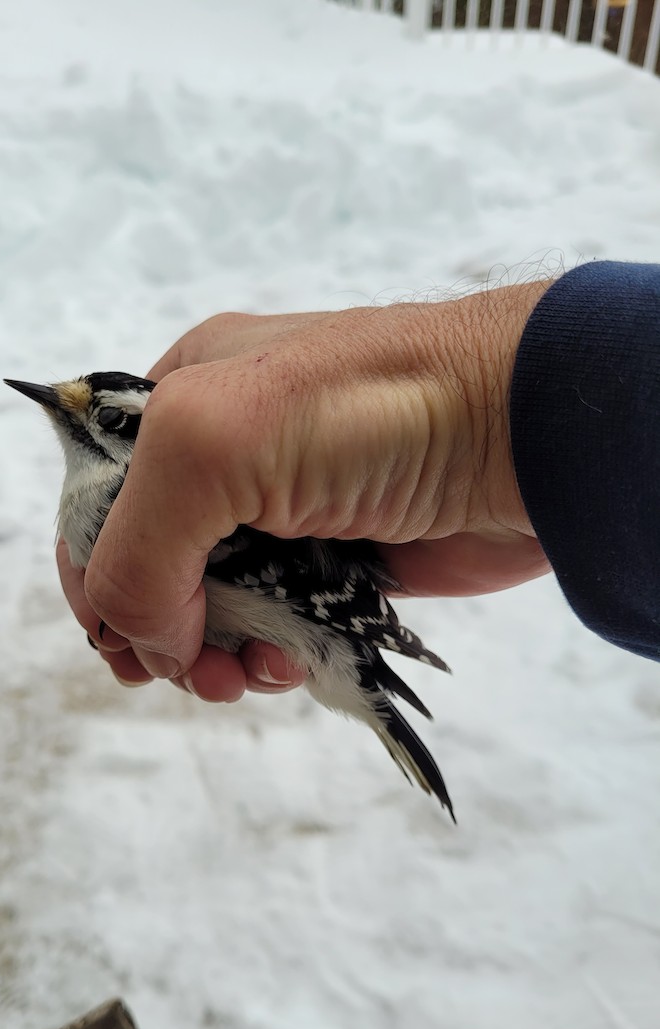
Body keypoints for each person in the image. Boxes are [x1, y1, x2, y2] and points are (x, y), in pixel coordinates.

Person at [58, 260, 660, 701]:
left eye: (107, 418)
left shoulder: (132, 499)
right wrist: (488, 436)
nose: (66, 410)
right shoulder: (160, 493)